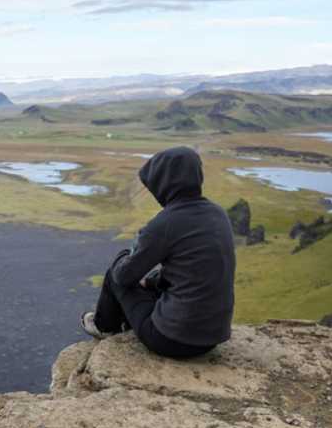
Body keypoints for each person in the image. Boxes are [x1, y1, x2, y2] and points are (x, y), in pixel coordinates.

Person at [82, 146, 234, 358]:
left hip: (172, 340)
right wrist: (152, 282)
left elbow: (124, 276)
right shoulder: (218, 213)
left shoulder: (166, 222)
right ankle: (126, 321)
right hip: (212, 338)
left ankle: (104, 327)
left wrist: (126, 254)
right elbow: (192, 269)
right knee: (149, 284)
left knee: (114, 275)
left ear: (164, 184)